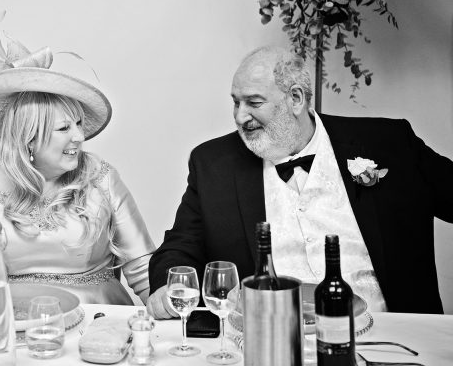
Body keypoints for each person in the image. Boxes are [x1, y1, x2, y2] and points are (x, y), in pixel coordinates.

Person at [148, 45, 453, 318]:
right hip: (267, 337)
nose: (241, 117)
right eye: (236, 103)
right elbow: (179, 247)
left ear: (296, 98)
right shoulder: (212, 163)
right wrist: (167, 287)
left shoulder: (388, 143)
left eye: (254, 102)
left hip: (391, 334)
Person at [0, 32, 154, 304]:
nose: (80, 137)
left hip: (97, 322)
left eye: (79, 124)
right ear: (29, 138)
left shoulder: (102, 178)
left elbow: (143, 270)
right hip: (18, 324)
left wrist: (172, 315)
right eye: (64, 128)